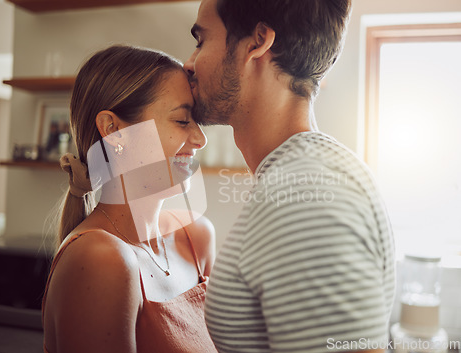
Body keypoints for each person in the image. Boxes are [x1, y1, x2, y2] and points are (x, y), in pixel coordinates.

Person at [184, 1, 395, 352]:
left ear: (257, 42)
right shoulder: (306, 176)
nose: (190, 63)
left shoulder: (307, 196)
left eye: (201, 40)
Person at [42, 45, 218, 353]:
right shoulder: (100, 258)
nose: (200, 139)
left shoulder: (196, 238)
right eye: (181, 120)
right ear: (113, 131)